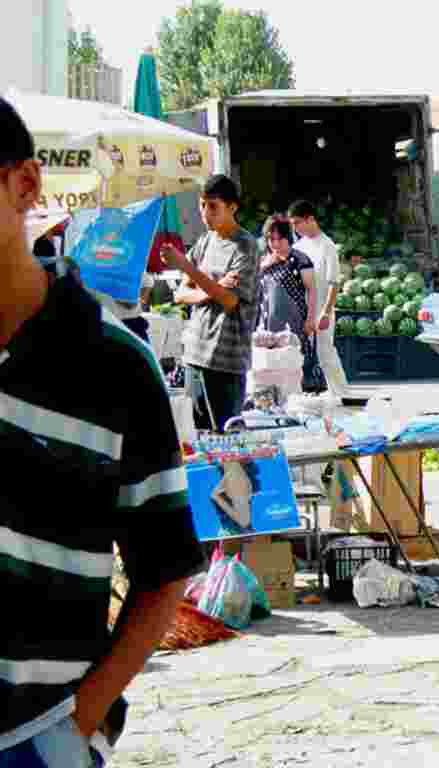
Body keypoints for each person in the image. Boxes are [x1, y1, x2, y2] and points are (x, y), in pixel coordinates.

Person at [0, 96, 204, 767]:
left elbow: (165, 568)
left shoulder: (115, 365)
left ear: (24, 185)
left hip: (36, 737)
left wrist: (79, 719)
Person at [162, 174, 260, 432]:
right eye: (202, 205)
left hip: (226, 361)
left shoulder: (246, 246)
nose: (205, 213)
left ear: (232, 207)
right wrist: (209, 291)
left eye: (213, 206)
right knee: (198, 439)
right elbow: (180, 294)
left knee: (227, 442)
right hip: (195, 354)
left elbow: (229, 300)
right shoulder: (206, 241)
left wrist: (185, 266)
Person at [289, 200, 349, 397]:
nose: (295, 228)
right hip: (302, 310)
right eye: (293, 224)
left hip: (322, 310)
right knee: (298, 354)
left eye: (297, 222)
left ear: (310, 219)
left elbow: (334, 282)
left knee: (325, 354)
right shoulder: (298, 246)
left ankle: (341, 394)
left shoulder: (327, 246)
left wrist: (326, 312)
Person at [258, 216, 321, 392]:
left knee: (295, 367)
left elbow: (312, 290)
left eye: (280, 239)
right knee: (270, 369)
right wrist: (265, 265)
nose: (276, 244)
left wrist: (310, 319)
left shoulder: (301, 260)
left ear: (289, 238)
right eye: (271, 239)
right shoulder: (265, 260)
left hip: (295, 324)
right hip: (268, 326)